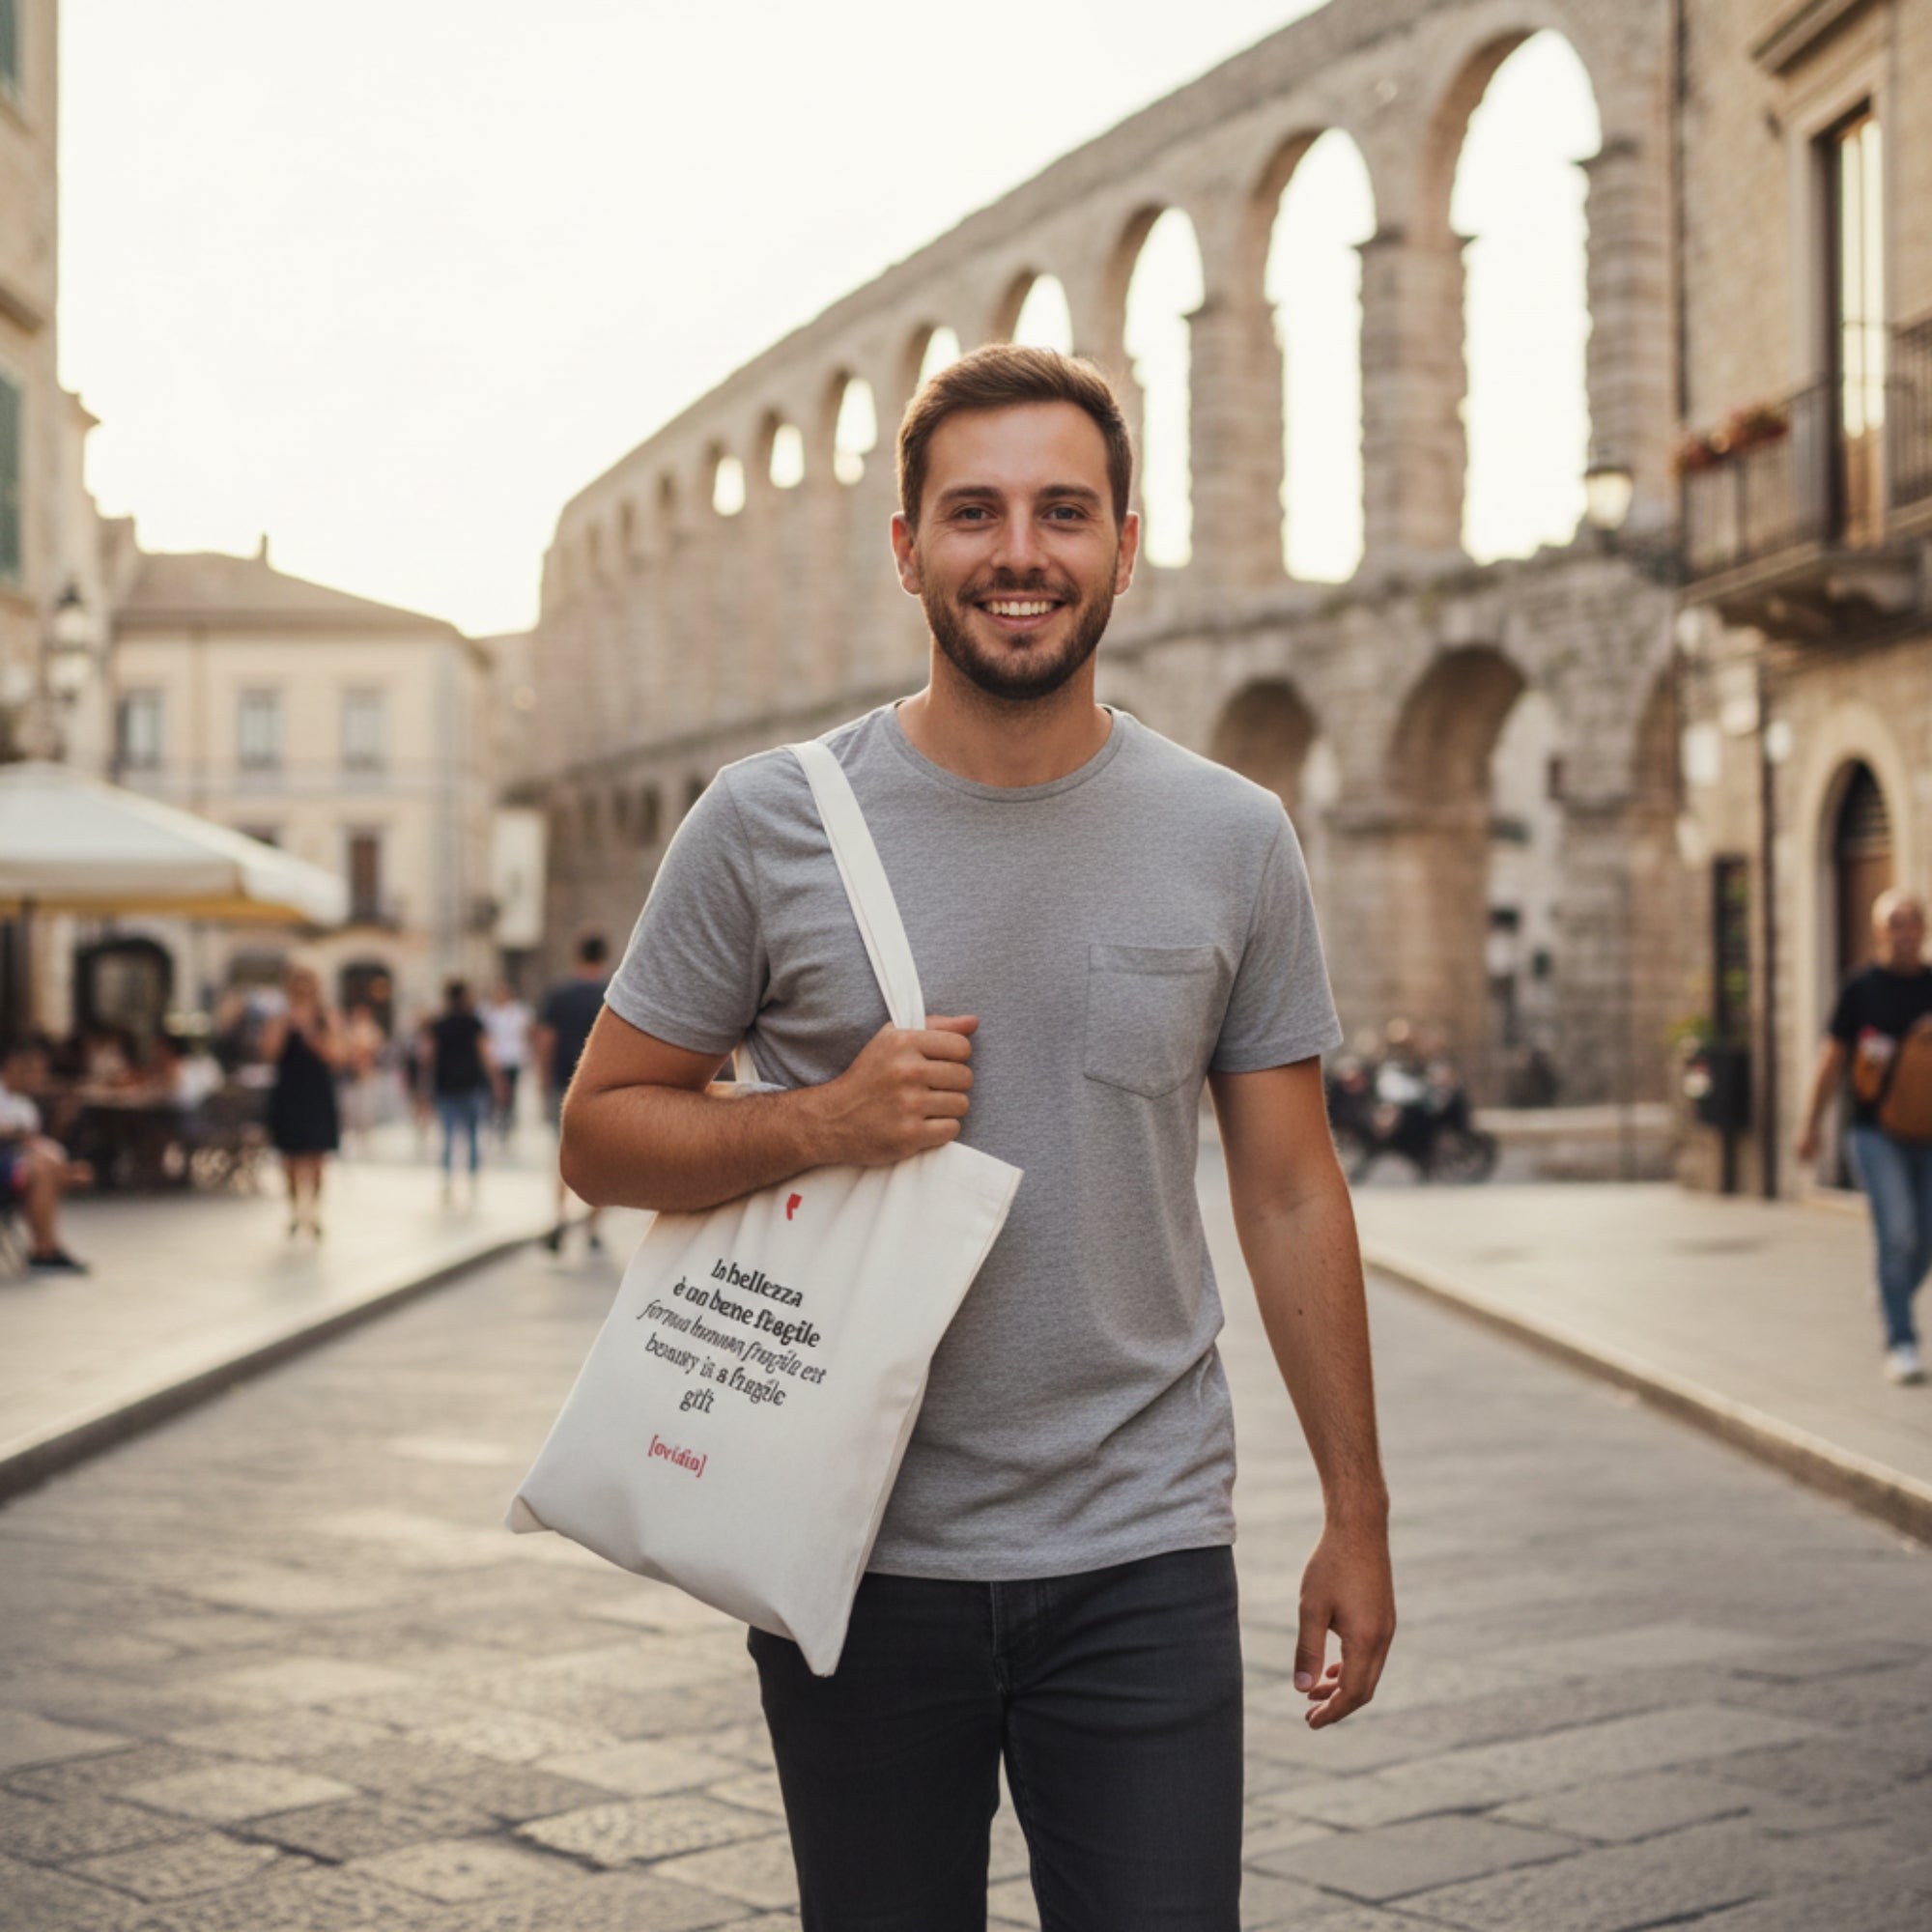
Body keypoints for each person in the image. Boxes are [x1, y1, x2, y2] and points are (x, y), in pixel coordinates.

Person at [559, 346, 1394, 1928]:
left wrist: (1360, 1516)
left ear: (1125, 547)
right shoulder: (766, 820)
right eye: (975, 513)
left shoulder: (1232, 836)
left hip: (1143, 1548)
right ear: (907, 549)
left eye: (1064, 512)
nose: (1022, 553)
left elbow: (1291, 1189)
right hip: (849, 1548)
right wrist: (821, 1120)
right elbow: (600, 1136)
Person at [1798, 888, 1932, 1384]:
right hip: (1875, 1132)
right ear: (1879, 931)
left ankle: (1891, 1288)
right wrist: (1811, 1125)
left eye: (1912, 921)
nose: (1905, 932)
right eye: (1895, 923)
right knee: (1897, 1232)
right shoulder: (1861, 989)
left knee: (1925, 1238)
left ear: (1924, 929)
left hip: (1929, 1130)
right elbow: (1833, 1058)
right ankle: (1901, 1341)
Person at [534, 935, 611, 1255]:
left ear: (576, 956)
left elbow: (545, 1042)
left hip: (563, 1084)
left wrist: (542, 1083)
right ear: (603, 958)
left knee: (563, 1153)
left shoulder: (558, 996)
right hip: (602, 1088)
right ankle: (593, 1229)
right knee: (601, 1159)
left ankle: (560, 1218)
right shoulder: (611, 995)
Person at [259, 964, 341, 1237]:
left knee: (318, 1157)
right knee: (290, 1158)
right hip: (289, 1092)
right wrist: (286, 1026)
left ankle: (314, 1210)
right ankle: (295, 1210)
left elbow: (338, 1055)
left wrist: (314, 1038)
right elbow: (269, 1053)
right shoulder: (279, 1018)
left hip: (317, 1091)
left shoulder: (326, 1017)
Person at [0, 1048, 93, 1271]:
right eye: (31, 1071)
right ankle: (45, 1250)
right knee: (42, 1169)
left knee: (47, 1164)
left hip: (15, 1164)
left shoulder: (24, 1106)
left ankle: (46, 1248)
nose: (37, 1077)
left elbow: (33, 1141)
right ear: (12, 1068)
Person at [424, 979, 499, 1204]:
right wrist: (496, 1081)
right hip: (471, 1084)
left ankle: (448, 1181)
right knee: (473, 1136)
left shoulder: (439, 1024)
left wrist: (423, 1086)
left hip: (446, 1085)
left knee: (448, 1137)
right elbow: (485, 1053)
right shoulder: (473, 1022)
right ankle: (473, 1180)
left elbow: (428, 1056)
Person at [480, 983, 532, 1139]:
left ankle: (508, 1120)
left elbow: (525, 1034)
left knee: (510, 1091)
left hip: (513, 1058)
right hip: (495, 1059)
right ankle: (494, 1119)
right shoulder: (488, 1013)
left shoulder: (518, 1012)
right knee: (494, 1091)